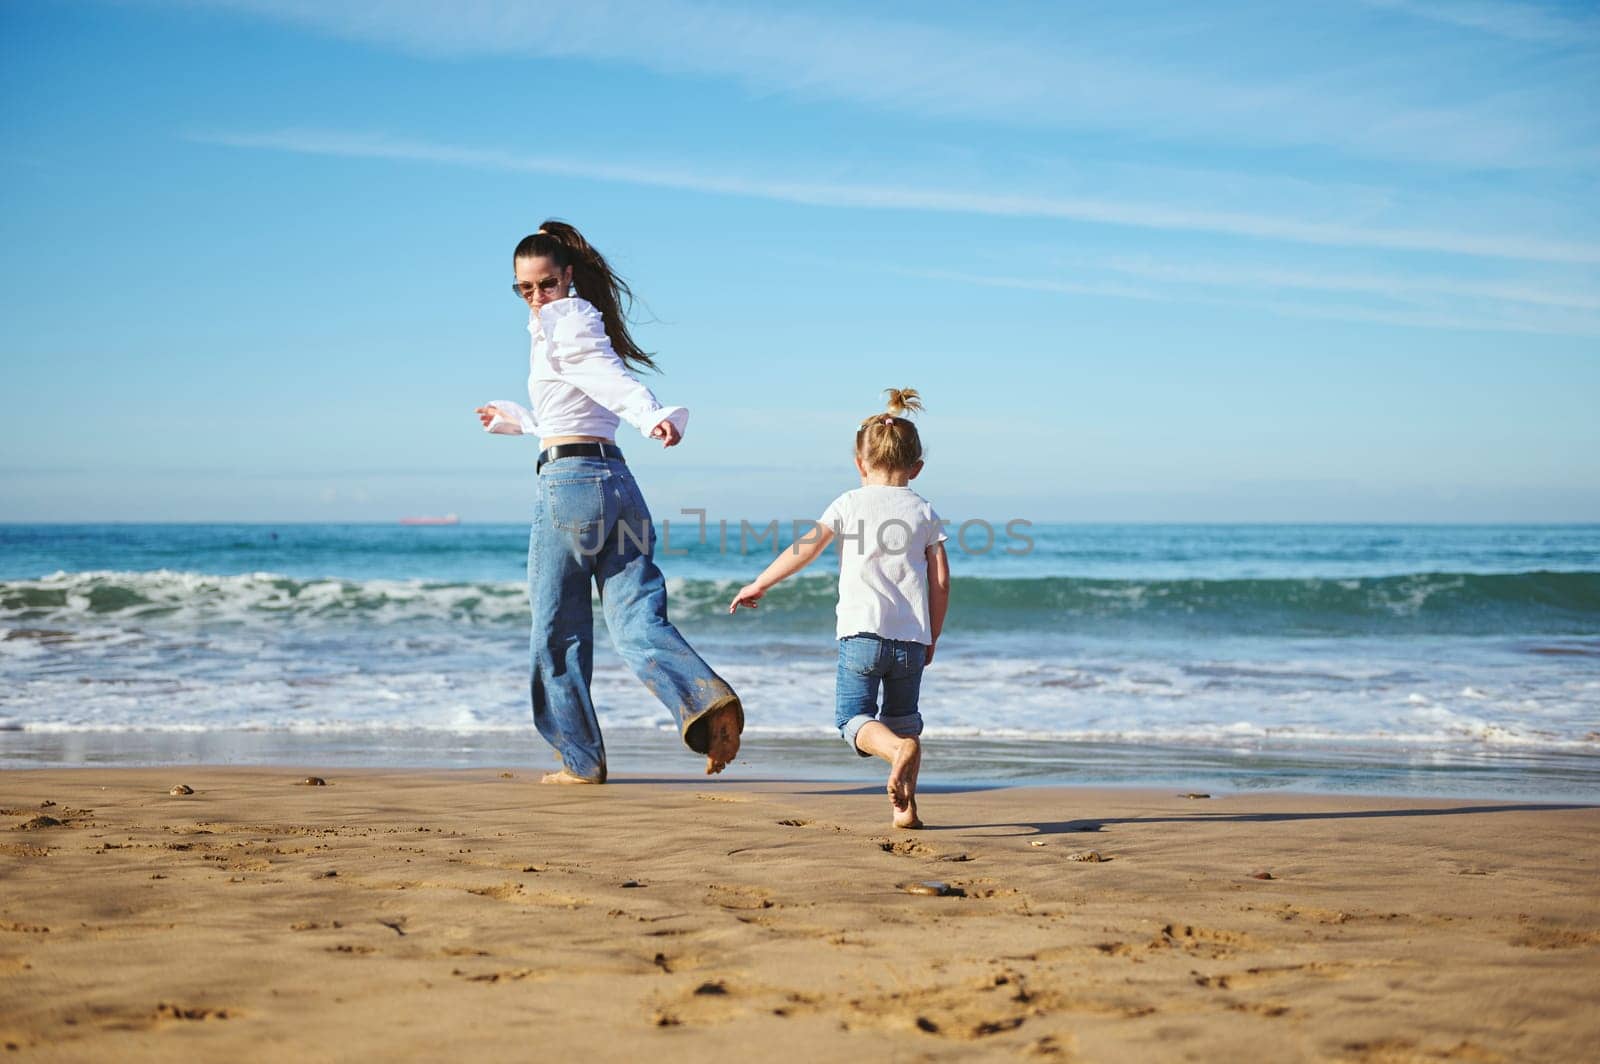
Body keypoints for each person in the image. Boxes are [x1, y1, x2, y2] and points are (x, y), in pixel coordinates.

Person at [475, 221, 743, 784]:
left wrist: (651, 414)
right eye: (524, 290)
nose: (537, 298)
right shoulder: (571, 324)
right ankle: (705, 697)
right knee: (636, 616)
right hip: (616, 480)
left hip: (570, 485)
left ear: (567, 278)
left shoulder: (565, 326)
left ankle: (580, 760)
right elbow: (581, 403)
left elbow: (604, 376)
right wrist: (519, 421)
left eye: (546, 285)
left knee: (558, 631)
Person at [728, 389, 950, 827]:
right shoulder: (924, 511)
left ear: (859, 463)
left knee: (853, 718)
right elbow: (940, 581)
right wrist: (933, 635)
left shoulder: (848, 502)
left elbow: (804, 551)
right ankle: (904, 809)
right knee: (902, 719)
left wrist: (759, 583)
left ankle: (895, 751)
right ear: (917, 467)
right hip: (910, 641)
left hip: (861, 635)